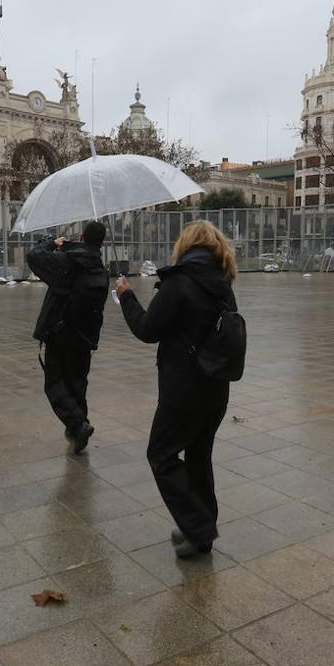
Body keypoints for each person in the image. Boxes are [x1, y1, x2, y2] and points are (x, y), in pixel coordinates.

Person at [116, 220, 237, 558]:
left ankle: (199, 526)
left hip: (183, 390)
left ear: (184, 246)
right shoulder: (223, 283)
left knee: (161, 454)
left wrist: (126, 298)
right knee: (199, 458)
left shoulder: (180, 282)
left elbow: (147, 329)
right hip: (216, 388)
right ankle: (200, 532)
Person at [28, 221, 110, 453]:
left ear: (82, 237)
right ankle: (78, 432)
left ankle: (77, 425)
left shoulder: (68, 262)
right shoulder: (100, 269)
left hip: (61, 333)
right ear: (101, 242)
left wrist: (52, 243)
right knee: (77, 384)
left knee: (54, 383)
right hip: (84, 338)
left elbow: (34, 256)